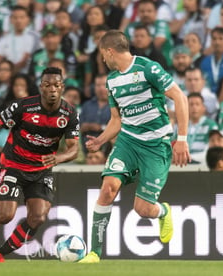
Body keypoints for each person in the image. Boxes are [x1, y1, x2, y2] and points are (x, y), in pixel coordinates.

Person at [79, 30, 190, 263]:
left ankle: (163, 211)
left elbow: (179, 97)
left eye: (102, 55)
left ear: (110, 51)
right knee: (108, 188)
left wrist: (182, 139)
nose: (102, 60)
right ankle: (94, 253)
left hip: (156, 145)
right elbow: (116, 120)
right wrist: (100, 140)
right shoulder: (112, 81)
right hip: (128, 141)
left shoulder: (147, 68)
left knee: (143, 209)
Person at [0, 67, 80, 262]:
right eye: (48, 85)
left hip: (42, 170)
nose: (52, 89)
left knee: (38, 218)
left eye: (56, 85)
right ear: (41, 87)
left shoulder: (69, 114)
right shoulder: (23, 107)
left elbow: (74, 149)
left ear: (62, 87)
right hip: (14, 165)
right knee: (3, 217)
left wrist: (59, 158)